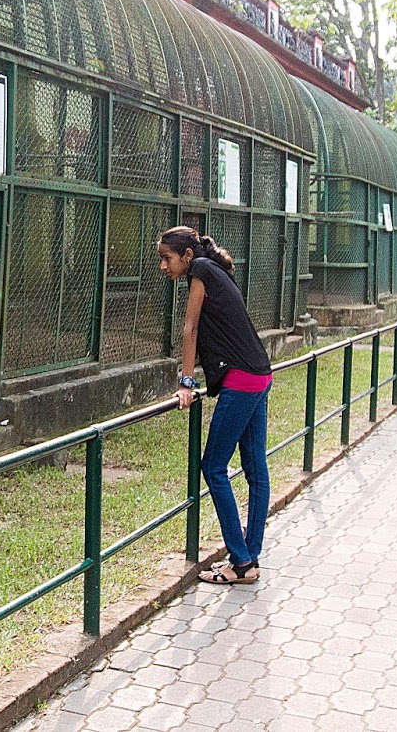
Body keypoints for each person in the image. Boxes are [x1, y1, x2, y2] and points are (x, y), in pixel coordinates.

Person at [160, 226, 272, 585]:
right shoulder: (213, 269)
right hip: (259, 374)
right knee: (255, 470)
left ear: (187, 256)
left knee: (213, 467)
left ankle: (240, 561)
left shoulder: (202, 271)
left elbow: (189, 329)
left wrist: (186, 383)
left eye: (167, 259)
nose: (163, 266)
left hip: (242, 380)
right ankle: (248, 559)